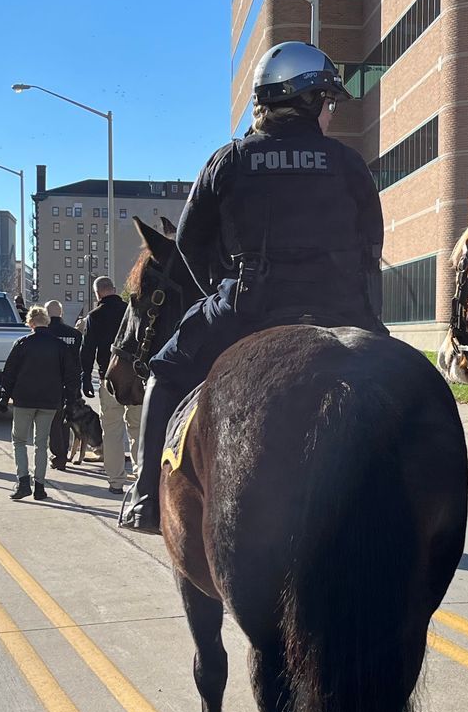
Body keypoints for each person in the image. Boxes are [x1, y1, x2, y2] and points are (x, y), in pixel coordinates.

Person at [120, 41, 383, 533]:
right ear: (307, 101)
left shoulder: (230, 160)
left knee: (166, 370)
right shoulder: (348, 164)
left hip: (248, 306)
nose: (330, 113)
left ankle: (143, 498)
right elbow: (372, 248)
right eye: (328, 102)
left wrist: (225, 290)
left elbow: (193, 246)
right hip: (341, 308)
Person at [0, 304, 75, 499]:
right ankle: (39, 486)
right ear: (47, 322)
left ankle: (23, 482)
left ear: (30, 323)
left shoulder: (22, 343)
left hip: (24, 399)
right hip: (50, 400)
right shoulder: (60, 346)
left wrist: (4, 396)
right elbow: (70, 375)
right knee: (41, 443)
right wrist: (70, 400)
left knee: (19, 440)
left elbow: (9, 373)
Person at [80, 275, 138, 495]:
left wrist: (86, 376)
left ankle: (116, 481)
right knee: (137, 429)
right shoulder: (132, 311)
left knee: (111, 431)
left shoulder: (95, 316)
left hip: (109, 379)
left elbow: (87, 349)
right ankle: (141, 477)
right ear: (113, 289)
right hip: (136, 379)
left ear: (97, 294)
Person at [43, 299, 82, 471]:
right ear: (61, 313)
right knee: (66, 420)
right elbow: (79, 360)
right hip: (71, 381)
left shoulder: (44, 334)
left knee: (52, 421)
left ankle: (58, 455)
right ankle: (64, 452)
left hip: (50, 381)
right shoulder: (74, 334)